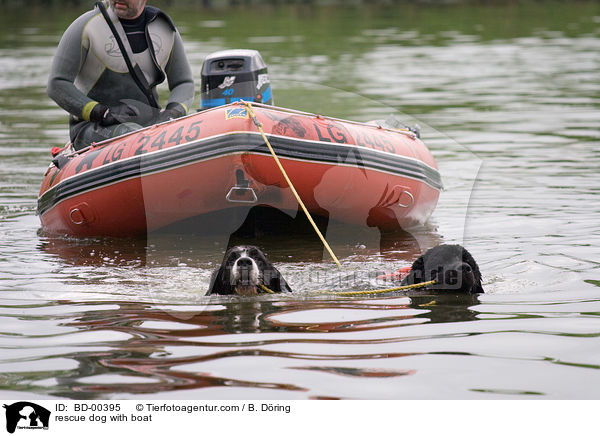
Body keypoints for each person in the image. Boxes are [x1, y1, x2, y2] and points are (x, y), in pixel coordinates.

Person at [47, 0, 194, 150]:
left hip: (149, 126)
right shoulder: (86, 27)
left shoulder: (165, 29)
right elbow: (57, 84)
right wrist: (101, 112)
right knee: (132, 135)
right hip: (93, 127)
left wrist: (173, 113)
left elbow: (184, 83)